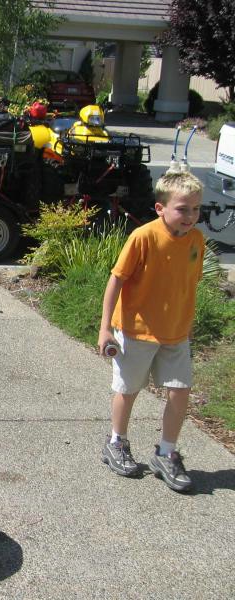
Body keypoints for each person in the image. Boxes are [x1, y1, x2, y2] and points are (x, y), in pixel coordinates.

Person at [98, 171, 205, 492]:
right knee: (128, 389)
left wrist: (187, 323)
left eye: (196, 209)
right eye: (183, 208)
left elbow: (188, 284)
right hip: (135, 331)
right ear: (160, 208)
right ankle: (116, 442)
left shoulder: (197, 240)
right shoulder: (143, 237)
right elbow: (116, 279)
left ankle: (166, 451)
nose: (190, 216)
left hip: (175, 333)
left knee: (180, 390)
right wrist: (105, 329)